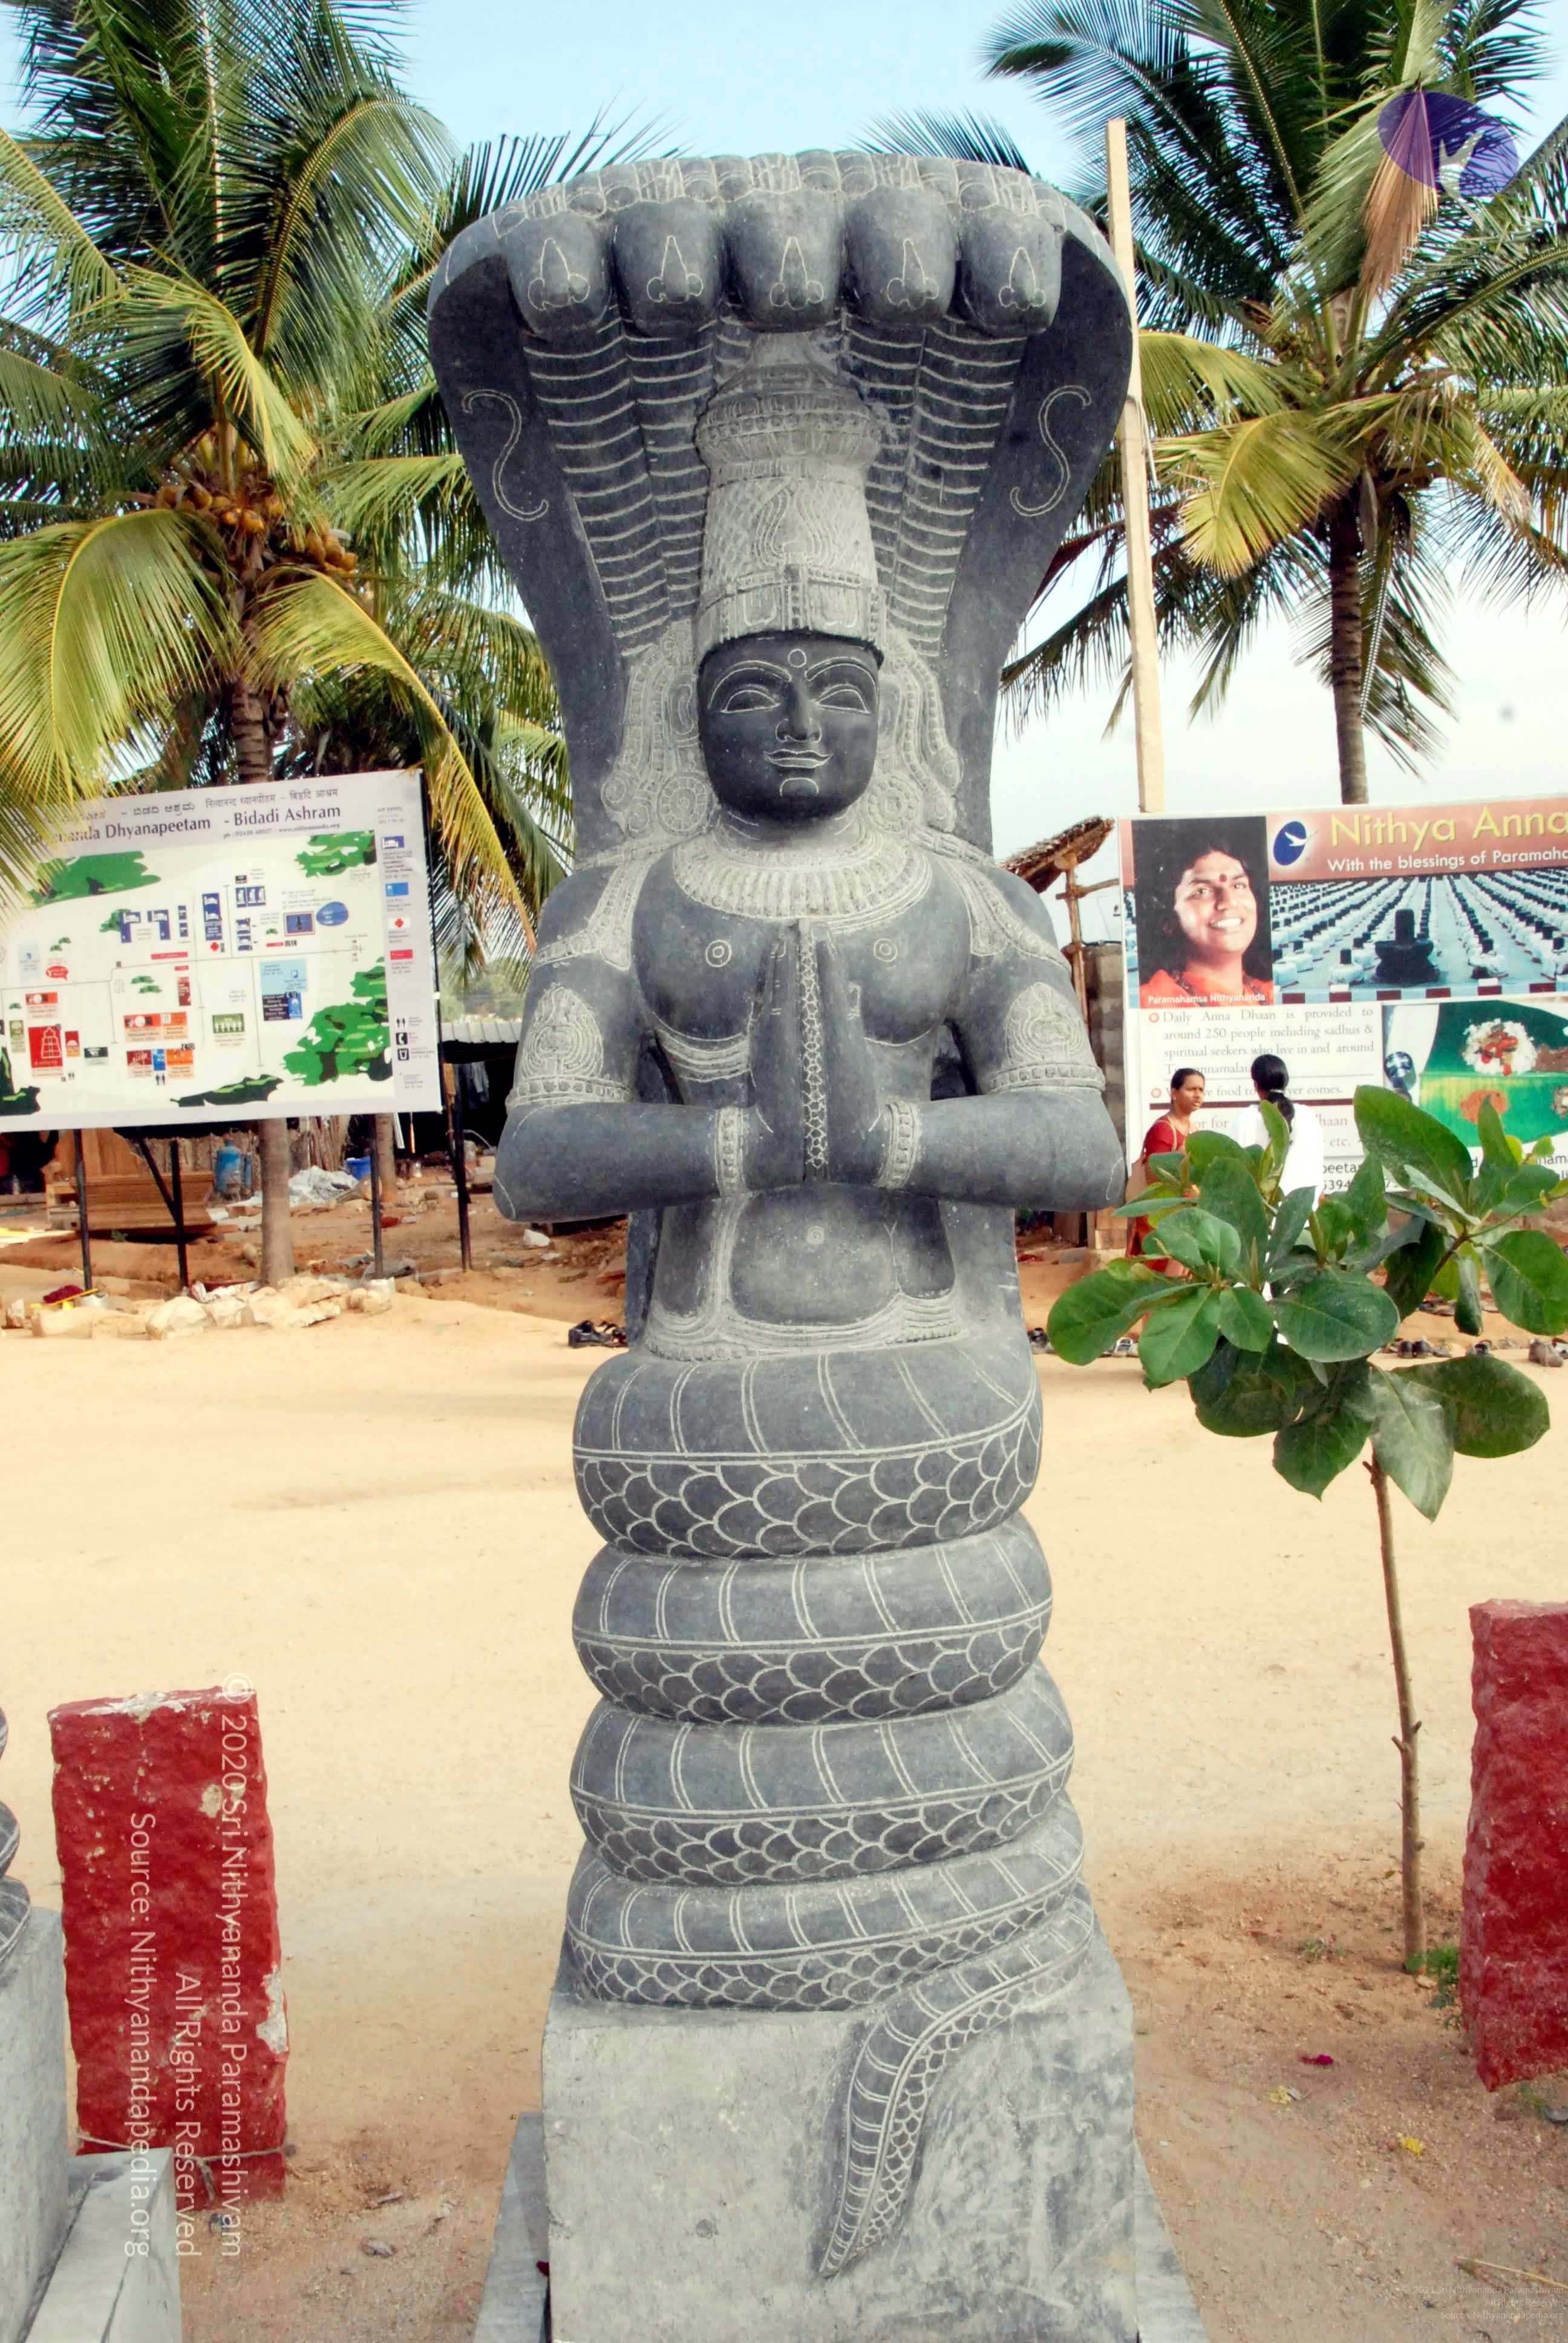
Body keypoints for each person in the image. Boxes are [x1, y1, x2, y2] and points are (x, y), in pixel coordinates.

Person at [1134, 820, 1275, 1006]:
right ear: (1167, 921)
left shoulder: (1273, 995)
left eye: (1238, 885)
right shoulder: (1151, 1003)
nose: (1229, 902)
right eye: (1202, 891)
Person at [1125, 1067, 1205, 1268]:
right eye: (1191, 1089)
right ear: (1174, 1093)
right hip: (1161, 1216)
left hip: (1184, 1215)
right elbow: (1154, 1177)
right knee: (1159, 1276)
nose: (1198, 1095)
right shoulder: (1163, 1129)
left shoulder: (1194, 1130)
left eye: (1201, 1090)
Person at [1233, 1052, 1325, 1199]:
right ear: (1285, 1082)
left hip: (1264, 1210)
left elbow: (1239, 1171)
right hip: (1303, 1209)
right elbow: (1316, 1171)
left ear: (1256, 1085)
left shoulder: (1247, 1117)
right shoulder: (1308, 1116)